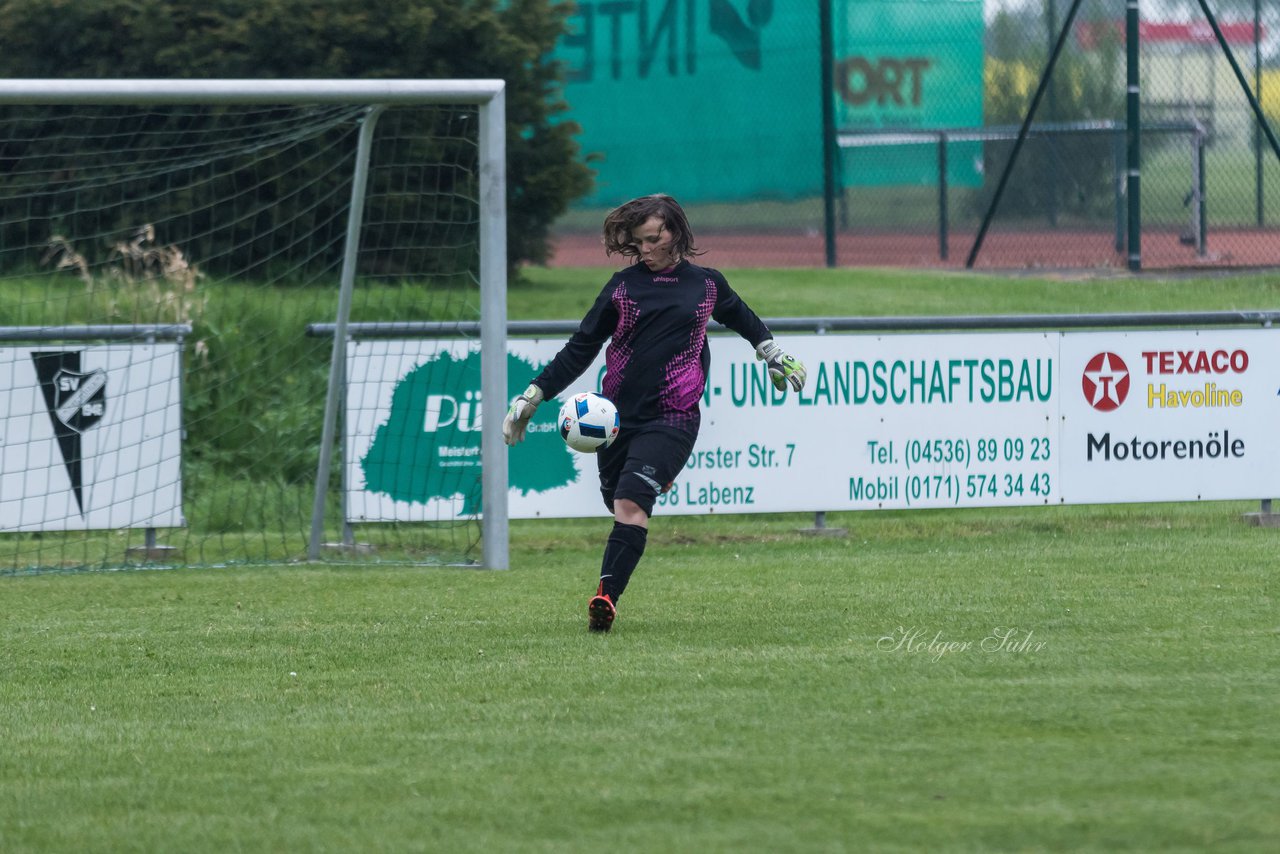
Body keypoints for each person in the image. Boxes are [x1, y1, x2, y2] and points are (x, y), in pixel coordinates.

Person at [502, 194, 807, 632]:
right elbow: (581, 347)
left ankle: (605, 598)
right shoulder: (623, 288)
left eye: (652, 239)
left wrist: (771, 351)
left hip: (674, 416)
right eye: (639, 242)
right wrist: (533, 396)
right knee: (618, 502)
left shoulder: (706, 285)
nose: (645, 249)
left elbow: (742, 317)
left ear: (676, 232)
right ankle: (627, 534)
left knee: (630, 502)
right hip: (615, 420)